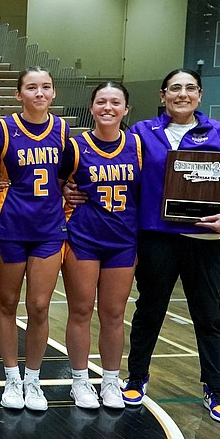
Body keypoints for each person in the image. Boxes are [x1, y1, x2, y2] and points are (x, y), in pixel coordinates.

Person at [121, 69, 220, 423]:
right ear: (163, 95)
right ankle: (136, 378)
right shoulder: (140, 134)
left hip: (208, 241)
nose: (182, 94)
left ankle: (216, 388)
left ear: (200, 95)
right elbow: (117, 174)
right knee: (149, 310)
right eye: (175, 88)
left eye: (190, 88)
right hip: (157, 238)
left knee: (208, 316)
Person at [0, 67, 67, 413]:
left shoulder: (62, 130)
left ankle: (33, 378)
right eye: (31, 87)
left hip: (49, 228)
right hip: (10, 226)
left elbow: (67, 176)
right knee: (7, 303)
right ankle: (11, 377)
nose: (39, 93)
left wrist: (73, 193)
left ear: (53, 93)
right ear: (19, 94)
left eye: (45, 87)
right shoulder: (1, 129)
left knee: (39, 306)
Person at [59, 81, 141, 410]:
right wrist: (66, 192)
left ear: (125, 110)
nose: (108, 107)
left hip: (122, 241)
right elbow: (56, 184)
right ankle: (79, 381)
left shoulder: (138, 145)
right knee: (80, 311)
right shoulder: (75, 146)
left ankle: (109, 380)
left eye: (115, 102)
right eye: (101, 102)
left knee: (114, 314)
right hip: (84, 238)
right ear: (92, 107)